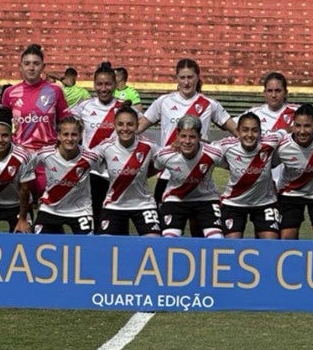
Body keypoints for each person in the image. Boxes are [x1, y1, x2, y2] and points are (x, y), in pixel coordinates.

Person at [137, 58, 237, 205]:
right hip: (169, 173)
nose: (186, 82)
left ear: (198, 77)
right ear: (176, 78)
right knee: (164, 224)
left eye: (190, 77)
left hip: (199, 174)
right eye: (182, 77)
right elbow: (138, 128)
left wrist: (206, 145)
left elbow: (236, 131)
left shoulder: (209, 104)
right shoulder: (163, 102)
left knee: (199, 225)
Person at [1, 44, 72, 197]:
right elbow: (3, 127)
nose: (31, 68)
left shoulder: (55, 90)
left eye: (36, 63)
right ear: (20, 67)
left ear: (43, 67)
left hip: (48, 155)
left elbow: (66, 123)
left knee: (48, 202)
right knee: (22, 204)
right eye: (27, 64)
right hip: (21, 155)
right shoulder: (10, 93)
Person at [71, 62, 126, 230]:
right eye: (99, 84)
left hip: (117, 173)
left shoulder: (123, 108)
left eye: (108, 84)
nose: (104, 88)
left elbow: (138, 128)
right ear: (94, 85)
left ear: (115, 84)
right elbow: (66, 124)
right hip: (92, 173)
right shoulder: (84, 106)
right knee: (94, 219)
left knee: (118, 221)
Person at [24, 116, 100, 234]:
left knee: (87, 247)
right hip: (50, 209)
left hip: (80, 211)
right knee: (39, 244)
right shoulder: (45, 154)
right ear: (58, 136)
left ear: (80, 136)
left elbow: (106, 172)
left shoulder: (90, 157)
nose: (69, 138)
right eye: (65, 134)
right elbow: (25, 168)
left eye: (74, 134)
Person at [92, 105, 160, 236]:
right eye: (120, 124)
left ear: (136, 126)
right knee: (105, 244)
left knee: (154, 241)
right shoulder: (105, 146)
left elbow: (163, 161)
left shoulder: (149, 146)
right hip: (114, 205)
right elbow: (85, 160)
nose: (125, 129)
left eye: (130, 124)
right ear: (115, 126)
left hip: (143, 205)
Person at [274, 103, 313, 241]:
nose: (302, 131)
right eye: (298, 126)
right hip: (290, 193)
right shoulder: (282, 146)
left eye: (307, 126)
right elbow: (266, 165)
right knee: (286, 240)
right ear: (293, 126)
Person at [153, 115, 224, 238]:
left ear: (199, 137)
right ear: (177, 135)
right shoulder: (165, 155)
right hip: (175, 199)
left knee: (216, 238)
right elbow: (156, 167)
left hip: (206, 199)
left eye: (192, 137)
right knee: (169, 238)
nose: (187, 141)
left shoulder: (213, 154)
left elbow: (229, 165)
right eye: (183, 136)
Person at [214, 112, 282, 239]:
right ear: (238, 132)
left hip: (265, 202)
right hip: (234, 203)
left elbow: (287, 131)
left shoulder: (271, 142)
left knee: (271, 244)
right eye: (245, 130)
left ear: (261, 132)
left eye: (254, 130)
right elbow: (203, 149)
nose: (249, 135)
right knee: (232, 245)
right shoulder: (226, 146)